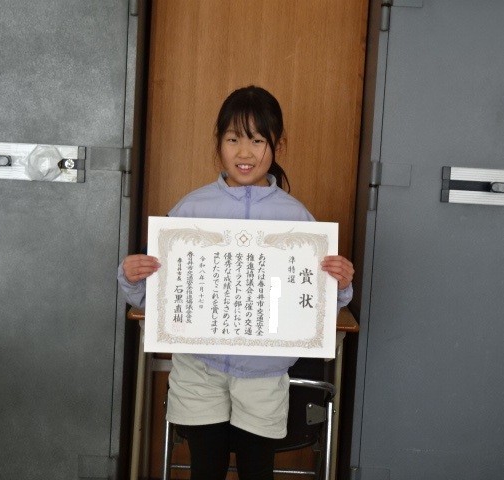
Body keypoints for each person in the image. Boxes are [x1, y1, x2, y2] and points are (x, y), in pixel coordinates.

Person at [118, 85, 354, 480]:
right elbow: (150, 295)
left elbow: (321, 302)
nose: (244, 153)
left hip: (264, 372)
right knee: (205, 469)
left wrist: (341, 283)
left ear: (277, 145)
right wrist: (131, 275)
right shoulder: (190, 209)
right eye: (233, 140)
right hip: (199, 368)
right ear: (218, 143)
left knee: (256, 471)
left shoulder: (296, 218)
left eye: (257, 140)